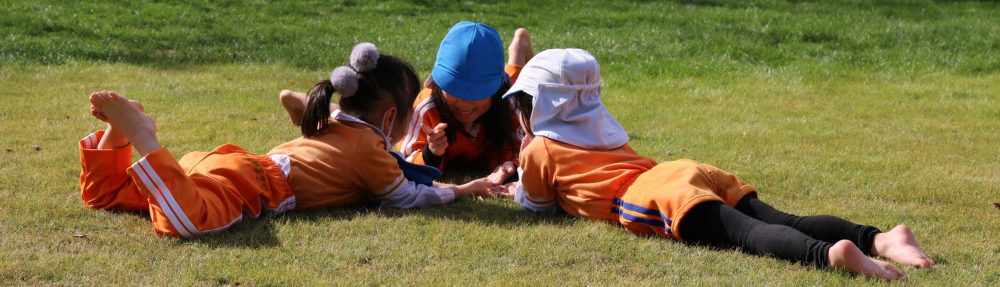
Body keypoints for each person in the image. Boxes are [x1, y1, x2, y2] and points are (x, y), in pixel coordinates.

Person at [494, 48, 934, 281]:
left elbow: (537, 206)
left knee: (748, 234)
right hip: (679, 169)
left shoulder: (539, 150)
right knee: (781, 217)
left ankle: (830, 256)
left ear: (539, 105)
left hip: (653, 195)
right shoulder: (604, 128)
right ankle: (878, 238)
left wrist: (513, 188)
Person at [78, 43, 493, 239]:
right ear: (388, 117)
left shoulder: (333, 119)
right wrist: (463, 189)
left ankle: (116, 137)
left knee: (108, 196)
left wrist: (299, 105)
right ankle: (144, 139)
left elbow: (299, 108)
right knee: (187, 221)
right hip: (253, 184)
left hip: (219, 163)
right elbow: (406, 195)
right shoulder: (370, 149)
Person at [395, 21, 533, 178]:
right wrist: (430, 153)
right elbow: (406, 161)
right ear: (439, 85)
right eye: (454, 89)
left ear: (496, 89)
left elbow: (525, 145)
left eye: (478, 93)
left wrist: (510, 163)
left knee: (519, 85)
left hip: (506, 95)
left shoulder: (507, 100)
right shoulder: (426, 106)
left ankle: (518, 50)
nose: (464, 103)